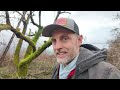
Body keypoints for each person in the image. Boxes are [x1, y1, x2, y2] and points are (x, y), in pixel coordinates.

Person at [42, 17, 120, 79]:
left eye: (65, 38)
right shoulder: (58, 68)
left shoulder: (107, 74)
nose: (57, 47)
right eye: (54, 40)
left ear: (79, 40)